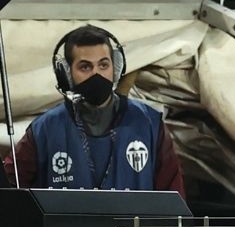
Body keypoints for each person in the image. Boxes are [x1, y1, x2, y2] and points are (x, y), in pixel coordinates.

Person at [2, 25, 185, 195]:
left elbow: (175, 200)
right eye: (85, 67)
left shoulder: (149, 123)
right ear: (66, 74)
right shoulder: (44, 129)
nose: (96, 74)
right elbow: (10, 191)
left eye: (103, 65)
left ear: (116, 67)